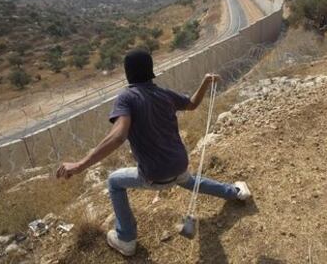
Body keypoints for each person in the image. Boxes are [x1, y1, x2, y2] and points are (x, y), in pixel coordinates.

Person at [56, 48, 251, 256]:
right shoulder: (164, 94)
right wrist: (205, 82)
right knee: (190, 181)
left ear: (127, 73)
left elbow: (119, 136)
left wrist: (79, 165)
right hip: (179, 164)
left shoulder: (127, 97)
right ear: (151, 71)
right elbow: (192, 104)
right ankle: (236, 192)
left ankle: (126, 238)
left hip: (154, 175)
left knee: (113, 181)